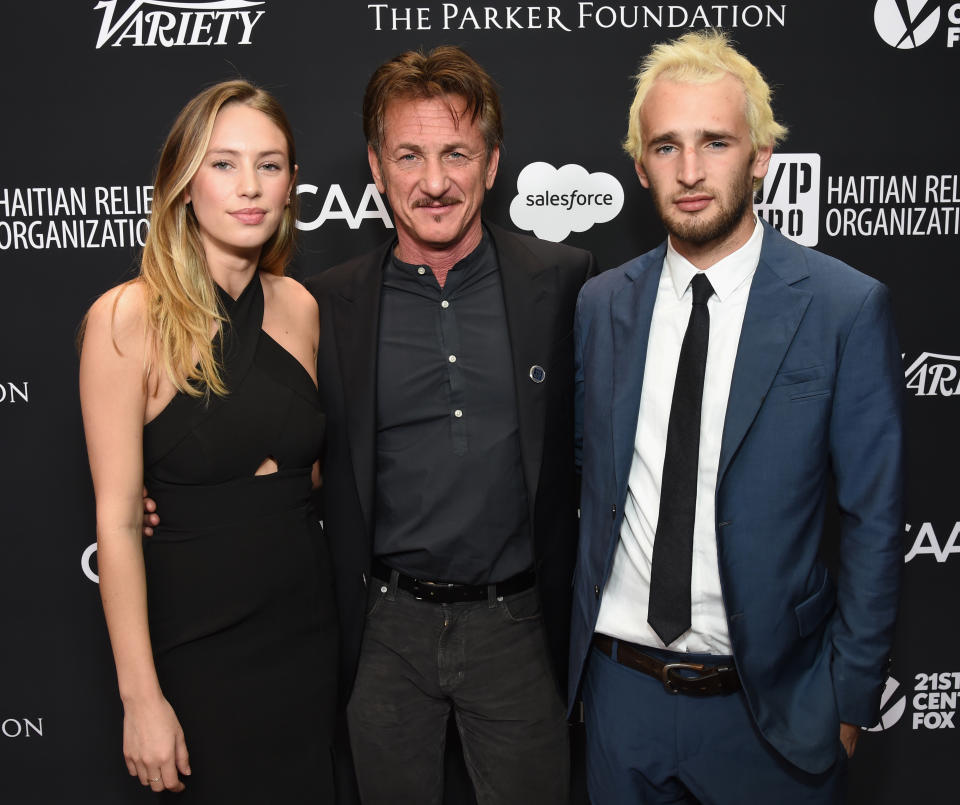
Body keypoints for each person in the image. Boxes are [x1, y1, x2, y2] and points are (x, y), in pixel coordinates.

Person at [569, 30, 904, 804]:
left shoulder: (844, 307)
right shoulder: (601, 304)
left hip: (775, 710)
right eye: (666, 146)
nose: (689, 171)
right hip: (622, 704)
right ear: (639, 163)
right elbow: (586, 478)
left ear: (760, 156)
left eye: (715, 142)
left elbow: (876, 520)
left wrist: (850, 698)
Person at [305, 46, 596, 804]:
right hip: (384, 634)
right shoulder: (327, 304)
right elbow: (281, 440)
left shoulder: (563, 282)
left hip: (521, 627)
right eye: (409, 155)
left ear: (492, 163)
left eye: (456, 154)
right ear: (376, 166)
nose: (434, 183)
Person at [80, 80, 337, 802]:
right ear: (183, 183)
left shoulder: (303, 308)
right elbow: (120, 522)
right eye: (223, 164)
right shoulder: (126, 319)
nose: (250, 186)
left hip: (307, 635)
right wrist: (141, 701)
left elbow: (310, 472)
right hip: (195, 647)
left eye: (271, 163)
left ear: (291, 184)